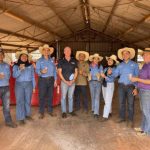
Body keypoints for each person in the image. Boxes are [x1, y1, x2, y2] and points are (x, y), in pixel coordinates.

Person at [109, 47, 139, 128]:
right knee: (121, 103)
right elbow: (115, 74)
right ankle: (122, 117)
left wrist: (136, 88)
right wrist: (110, 73)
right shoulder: (120, 65)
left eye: (127, 53)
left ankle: (130, 120)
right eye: (124, 54)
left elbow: (137, 76)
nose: (125, 55)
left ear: (129, 55)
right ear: (122, 56)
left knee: (130, 104)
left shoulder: (134, 64)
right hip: (121, 86)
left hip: (131, 86)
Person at [131, 48, 150, 135]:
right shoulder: (145, 65)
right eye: (143, 55)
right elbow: (141, 78)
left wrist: (137, 79)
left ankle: (147, 130)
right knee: (143, 110)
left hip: (147, 91)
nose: (144, 56)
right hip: (142, 90)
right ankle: (143, 127)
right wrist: (136, 88)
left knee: (147, 111)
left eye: (146, 55)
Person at [13, 49, 35, 125]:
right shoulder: (16, 65)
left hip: (29, 84)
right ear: (20, 57)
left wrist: (34, 86)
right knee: (20, 101)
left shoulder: (30, 65)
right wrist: (20, 69)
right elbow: (14, 75)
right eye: (23, 56)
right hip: (19, 84)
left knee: (28, 100)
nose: (24, 57)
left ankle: (27, 115)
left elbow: (32, 76)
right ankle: (20, 118)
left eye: (26, 56)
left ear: (27, 58)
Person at [36, 44, 57, 119]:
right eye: (44, 50)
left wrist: (55, 80)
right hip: (42, 80)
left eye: (47, 50)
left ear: (49, 52)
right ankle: (41, 112)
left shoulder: (52, 60)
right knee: (42, 96)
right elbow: (37, 71)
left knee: (50, 96)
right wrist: (41, 71)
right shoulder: (39, 61)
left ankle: (50, 111)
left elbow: (54, 71)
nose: (46, 51)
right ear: (42, 51)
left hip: (51, 80)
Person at [58, 46, 78, 118]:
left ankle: (71, 110)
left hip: (72, 82)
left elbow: (76, 72)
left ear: (70, 52)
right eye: (66, 51)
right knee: (63, 97)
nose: (67, 52)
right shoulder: (61, 61)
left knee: (70, 97)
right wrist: (65, 81)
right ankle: (64, 111)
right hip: (64, 82)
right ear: (64, 52)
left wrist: (72, 80)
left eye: (69, 50)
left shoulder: (74, 60)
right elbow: (59, 72)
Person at [0, 48, 17, 128]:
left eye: (1, 55)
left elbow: (9, 75)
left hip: (6, 88)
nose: (0, 56)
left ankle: (8, 121)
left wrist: (4, 77)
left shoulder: (6, 65)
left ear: (3, 56)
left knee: (6, 106)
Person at [101, 55, 119, 122]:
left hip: (109, 84)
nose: (109, 61)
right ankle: (109, 112)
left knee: (107, 100)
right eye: (108, 60)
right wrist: (102, 76)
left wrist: (105, 76)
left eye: (111, 60)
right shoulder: (106, 68)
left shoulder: (115, 69)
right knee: (106, 99)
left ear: (114, 62)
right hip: (104, 84)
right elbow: (102, 75)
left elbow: (112, 79)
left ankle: (105, 116)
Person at [88, 53, 103, 118]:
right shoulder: (89, 66)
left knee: (97, 97)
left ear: (98, 60)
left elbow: (101, 75)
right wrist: (88, 76)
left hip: (98, 82)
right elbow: (88, 74)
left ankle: (96, 112)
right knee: (92, 96)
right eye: (95, 58)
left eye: (97, 59)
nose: (96, 60)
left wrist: (100, 76)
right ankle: (93, 108)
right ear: (92, 59)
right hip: (91, 82)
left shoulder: (100, 66)